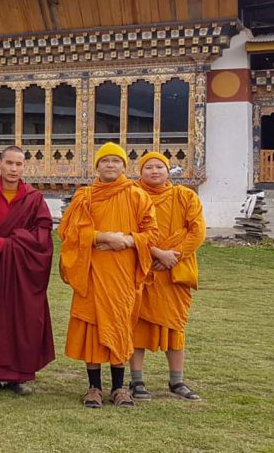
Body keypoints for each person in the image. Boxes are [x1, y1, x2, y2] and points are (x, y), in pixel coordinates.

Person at [58, 142, 157, 408]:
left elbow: (152, 233)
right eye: (105, 161)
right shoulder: (85, 197)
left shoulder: (137, 196)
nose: (110, 165)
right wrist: (101, 236)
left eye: (116, 161)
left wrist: (126, 240)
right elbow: (70, 233)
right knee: (92, 326)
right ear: (97, 166)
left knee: (120, 325)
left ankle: (119, 388)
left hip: (123, 274)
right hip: (91, 271)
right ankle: (93, 387)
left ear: (125, 166)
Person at [0, 145, 55, 396]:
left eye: (19, 164)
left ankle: (19, 376)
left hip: (23, 271)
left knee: (23, 319)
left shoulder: (33, 199)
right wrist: (4, 246)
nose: (14, 169)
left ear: (24, 167)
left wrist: (16, 245)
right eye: (10, 163)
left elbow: (43, 232)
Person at [129, 152, 206, 401]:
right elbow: (128, 230)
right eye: (148, 167)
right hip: (143, 267)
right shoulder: (132, 196)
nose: (154, 171)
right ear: (140, 172)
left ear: (168, 171)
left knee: (175, 327)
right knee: (137, 326)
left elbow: (197, 231)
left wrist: (175, 255)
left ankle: (177, 380)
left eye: (159, 166)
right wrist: (156, 254)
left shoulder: (185, 196)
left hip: (175, 270)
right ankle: (136, 380)